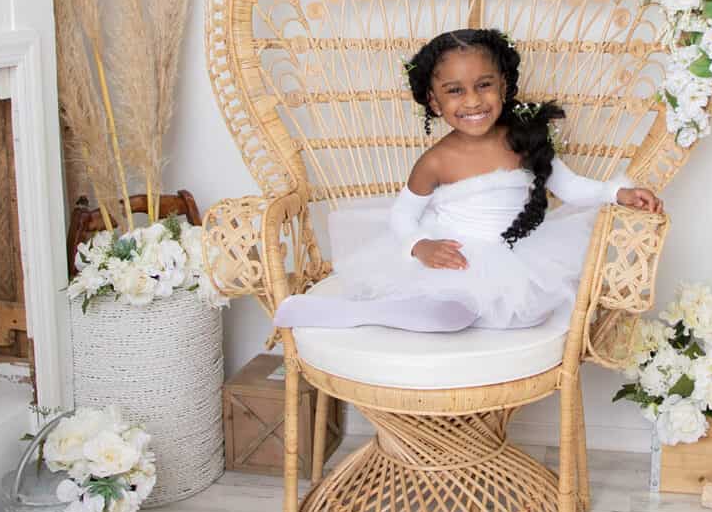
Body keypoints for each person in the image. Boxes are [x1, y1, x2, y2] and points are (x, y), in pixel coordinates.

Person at [273, 28, 663, 332]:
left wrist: (617, 192)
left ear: (503, 86)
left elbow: (570, 186)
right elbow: (402, 215)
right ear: (434, 101)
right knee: (450, 315)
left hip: (518, 254)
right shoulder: (436, 161)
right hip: (458, 255)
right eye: (455, 91)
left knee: (529, 314)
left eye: (484, 85)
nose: (473, 101)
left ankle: (449, 314)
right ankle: (357, 314)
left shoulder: (524, 140)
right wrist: (420, 245)